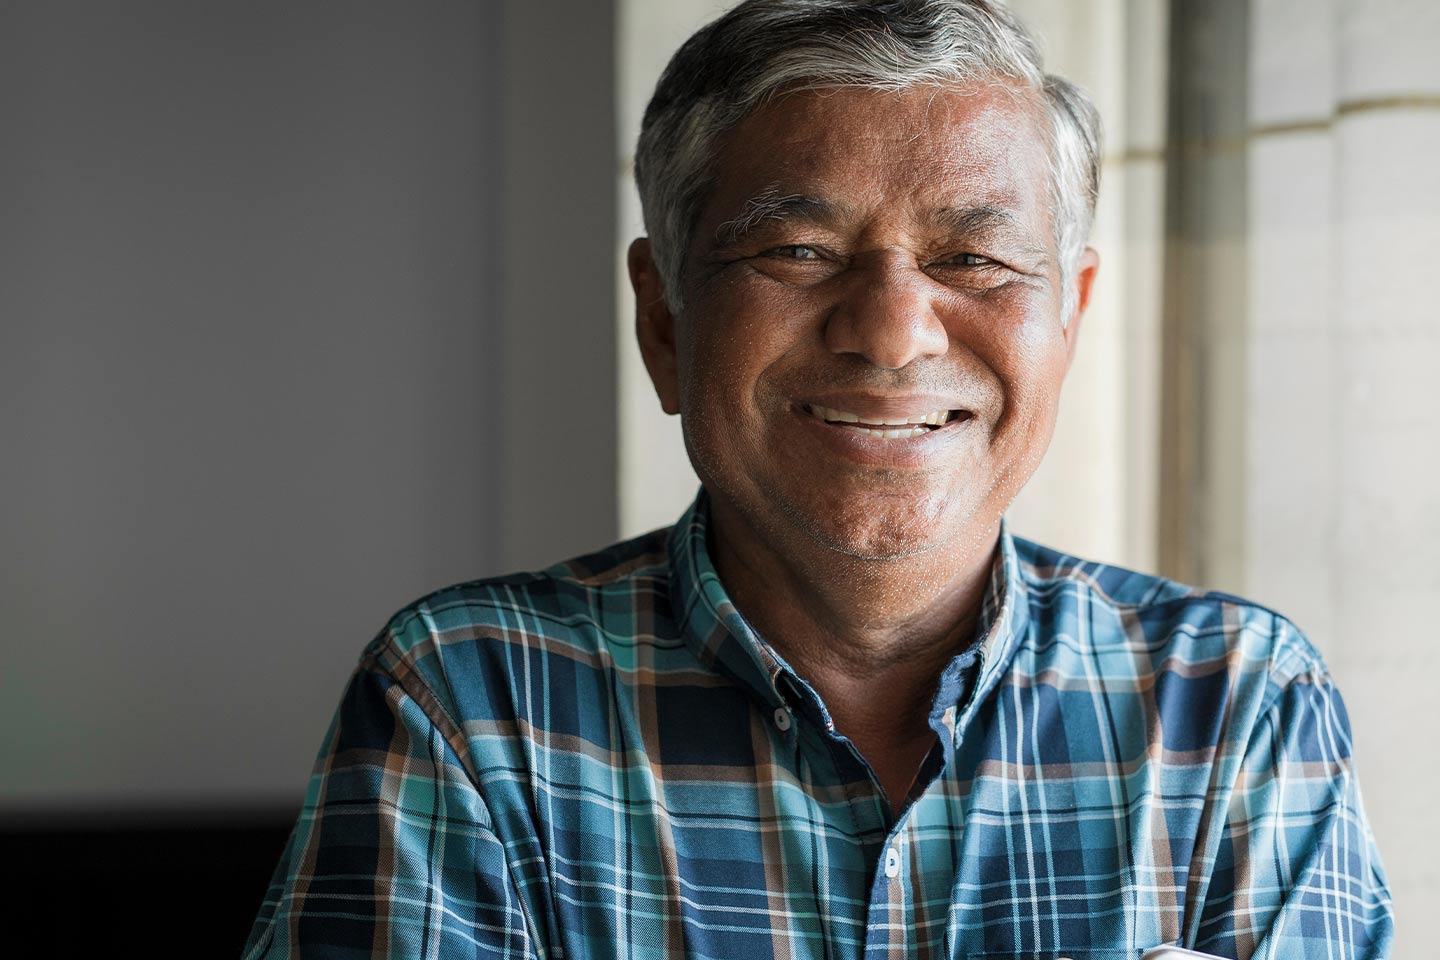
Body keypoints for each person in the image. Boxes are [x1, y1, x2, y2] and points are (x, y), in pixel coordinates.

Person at [244, 2, 1394, 957]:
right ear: (662, 319)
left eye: (976, 258)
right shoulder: (470, 703)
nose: (893, 334)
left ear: (1070, 318)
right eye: (798, 252)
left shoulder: (1238, 702)